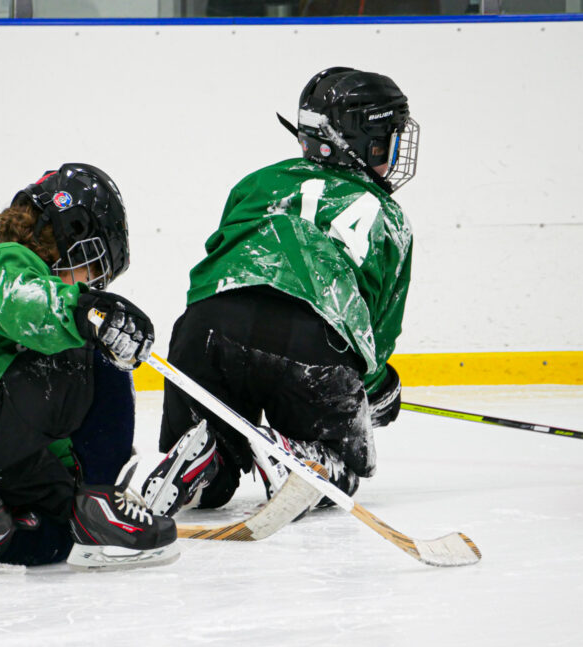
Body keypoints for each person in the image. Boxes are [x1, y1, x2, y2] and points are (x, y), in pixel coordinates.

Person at [143, 67, 418, 513]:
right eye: (389, 136)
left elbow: (226, 261)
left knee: (214, 482)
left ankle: (208, 457)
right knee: (337, 477)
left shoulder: (256, 183)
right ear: (364, 141)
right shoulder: (388, 217)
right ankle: (301, 458)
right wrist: (379, 390)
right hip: (310, 340)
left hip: (205, 329)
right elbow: (375, 335)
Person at [0, 163, 184, 573]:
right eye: (91, 265)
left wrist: (72, 479)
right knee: (98, 344)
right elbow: (28, 303)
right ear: (69, 236)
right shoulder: (0, 259)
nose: (88, 283)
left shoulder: (19, 278)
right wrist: (87, 311)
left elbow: (36, 392)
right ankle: (103, 500)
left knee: (64, 528)